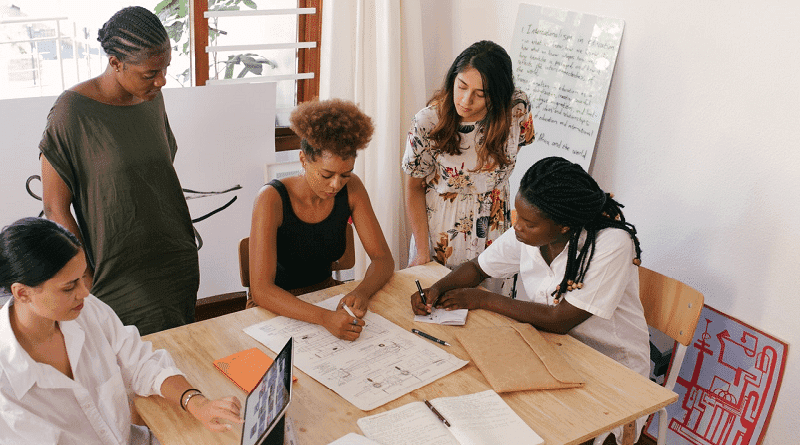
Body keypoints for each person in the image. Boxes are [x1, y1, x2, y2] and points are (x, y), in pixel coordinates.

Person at [411, 157, 649, 445]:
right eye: (518, 217)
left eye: (529, 223)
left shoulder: (610, 244)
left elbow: (560, 320)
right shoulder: (529, 234)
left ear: (564, 225)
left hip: (611, 369)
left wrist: (483, 299)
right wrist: (437, 289)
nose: (518, 227)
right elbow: (477, 268)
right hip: (553, 351)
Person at [0, 217, 242, 445]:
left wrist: (195, 402)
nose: (85, 292)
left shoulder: (86, 310)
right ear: (22, 293)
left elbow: (140, 363)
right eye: (68, 287)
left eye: (82, 277)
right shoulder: (5, 383)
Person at [39, 6, 199, 335]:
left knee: (179, 351)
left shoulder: (151, 98)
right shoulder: (71, 112)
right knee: (127, 357)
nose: (161, 80)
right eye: (150, 73)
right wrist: (83, 275)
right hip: (116, 272)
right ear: (115, 63)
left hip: (174, 259)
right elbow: (55, 207)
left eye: (165, 69)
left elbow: (157, 174)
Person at [248, 98, 395, 341]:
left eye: (345, 174)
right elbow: (261, 291)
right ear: (303, 160)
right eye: (327, 175)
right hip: (274, 307)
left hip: (324, 297)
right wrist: (325, 318)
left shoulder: (352, 188)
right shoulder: (271, 198)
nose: (336, 184)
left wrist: (362, 292)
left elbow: (383, 259)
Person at [403, 40, 536, 286]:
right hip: (443, 235)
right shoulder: (428, 122)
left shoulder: (516, 109)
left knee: (492, 306)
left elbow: (515, 149)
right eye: (461, 86)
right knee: (439, 302)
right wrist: (422, 251)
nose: (465, 100)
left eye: (480, 94)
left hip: (495, 231)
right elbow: (413, 188)